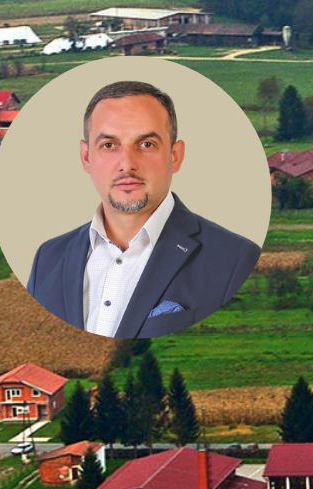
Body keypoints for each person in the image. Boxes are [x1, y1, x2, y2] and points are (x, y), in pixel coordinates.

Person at [26, 80, 261, 338]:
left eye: (146, 144)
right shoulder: (46, 260)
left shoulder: (236, 260)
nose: (127, 164)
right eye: (109, 145)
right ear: (86, 157)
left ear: (175, 156)